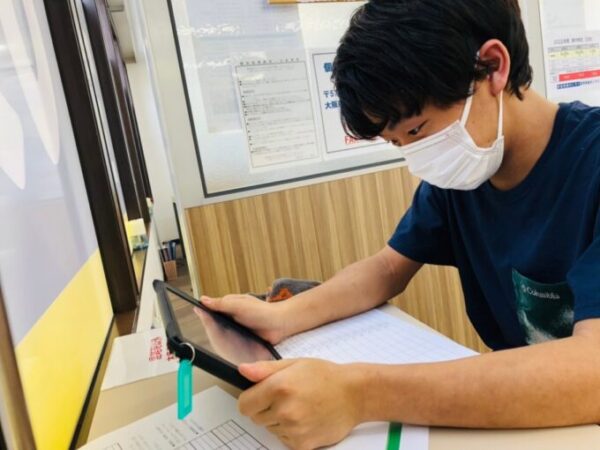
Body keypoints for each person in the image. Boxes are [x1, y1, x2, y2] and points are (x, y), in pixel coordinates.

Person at [201, 1, 600, 449]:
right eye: (397, 143)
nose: (415, 157)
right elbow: (388, 268)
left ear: (492, 67)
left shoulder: (589, 163)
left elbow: (593, 369)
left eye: (415, 131)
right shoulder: (463, 176)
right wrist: (281, 318)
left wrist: (360, 394)